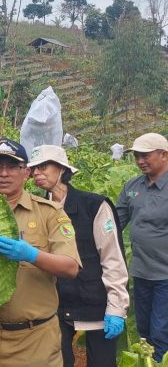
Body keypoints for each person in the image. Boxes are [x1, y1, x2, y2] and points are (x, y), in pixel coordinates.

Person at [0, 137, 81, 367]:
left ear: (26, 173)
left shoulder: (50, 214)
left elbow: (70, 266)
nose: (4, 173)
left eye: (13, 166)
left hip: (35, 340)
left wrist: (32, 255)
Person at [29, 144, 128, 367]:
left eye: (43, 166)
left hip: (94, 302)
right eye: (34, 168)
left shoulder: (94, 206)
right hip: (55, 305)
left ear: (62, 169)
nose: (36, 172)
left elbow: (112, 258)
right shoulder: (37, 207)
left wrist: (116, 307)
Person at [116, 132, 168, 361]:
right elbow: (115, 221)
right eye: (136, 156)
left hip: (166, 275)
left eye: (145, 156)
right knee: (144, 331)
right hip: (141, 272)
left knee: (160, 333)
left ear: (164, 155)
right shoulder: (132, 186)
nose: (139, 161)